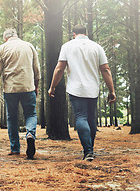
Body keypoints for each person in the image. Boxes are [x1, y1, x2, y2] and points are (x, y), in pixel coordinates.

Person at [48, 25, 115, 162]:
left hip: (76, 88)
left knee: (81, 117)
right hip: (92, 88)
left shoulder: (67, 46)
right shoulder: (97, 47)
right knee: (91, 118)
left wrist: (52, 86)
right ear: (86, 32)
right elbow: (106, 70)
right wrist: (111, 90)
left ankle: (88, 150)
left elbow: (60, 69)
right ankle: (90, 148)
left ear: (74, 34)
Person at [0, 28, 40, 159]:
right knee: (31, 114)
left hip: (10, 88)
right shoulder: (29, 46)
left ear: (5, 38)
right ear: (16, 36)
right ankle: (30, 134)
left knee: (12, 118)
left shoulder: (2, 48)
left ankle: (15, 148)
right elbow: (37, 69)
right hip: (28, 86)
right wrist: (36, 86)